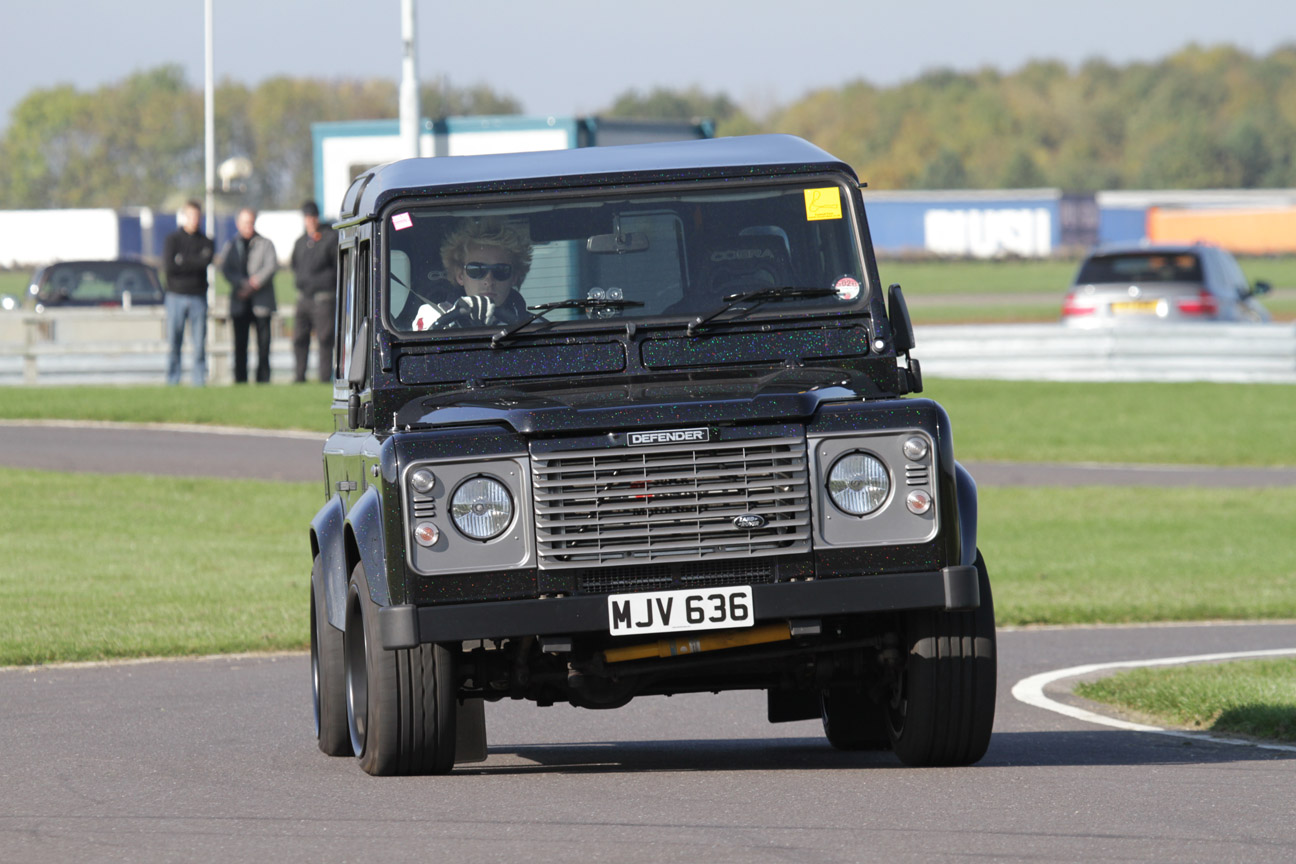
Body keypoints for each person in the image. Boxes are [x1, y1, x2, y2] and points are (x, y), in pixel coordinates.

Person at [410, 218, 531, 330]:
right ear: (460, 276)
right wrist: (455, 315)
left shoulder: (535, 327)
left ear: (514, 277)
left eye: (500, 271)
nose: (488, 281)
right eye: (476, 270)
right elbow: (421, 345)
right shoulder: (431, 314)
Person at [220, 208, 278, 383]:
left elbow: (271, 267)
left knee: (263, 346)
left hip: (261, 303)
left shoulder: (265, 244)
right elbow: (226, 268)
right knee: (240, 346)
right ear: (238, 224)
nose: (248, 226)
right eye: (245, 222)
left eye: (251, 222)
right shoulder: (231, 245)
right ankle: (240, 380)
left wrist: (254, 283)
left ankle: (263, 380)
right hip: (240, 303)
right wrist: (241, 283)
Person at [162, 200, 215, 386]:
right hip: (175, 295)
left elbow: (204, 263)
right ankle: (173, 380)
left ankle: (199, 381)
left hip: (198, 297)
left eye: (197, 216)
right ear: (184, 216)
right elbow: (169, 266)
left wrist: (183, 262)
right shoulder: (173, 240)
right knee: (174, 342)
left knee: (199, 343)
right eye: (191, 216)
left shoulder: (206, 242)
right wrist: (191, 262)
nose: (194, 220)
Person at [290, 201, 339, 382]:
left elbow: (337, 267)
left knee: (325, 340)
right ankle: (299, 376)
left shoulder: (330, 239)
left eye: (312, 217)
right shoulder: (301, 242)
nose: (309, 221)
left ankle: (324, 377)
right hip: (304, 298)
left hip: (323, 298)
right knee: (299, 339)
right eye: (306, 217)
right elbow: (294, 265)